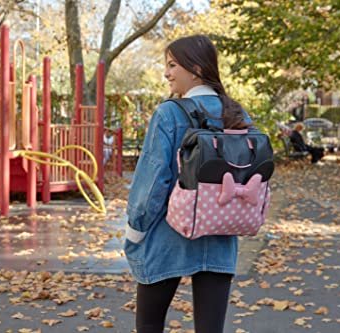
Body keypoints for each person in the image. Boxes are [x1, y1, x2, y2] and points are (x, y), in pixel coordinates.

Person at [124, 35, 251, 333]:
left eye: (172, 65)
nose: (167, 73)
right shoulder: (236, 113)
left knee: (150, 324)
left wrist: (135, 228)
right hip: (222, 231)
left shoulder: (169, 112)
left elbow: (153, 179)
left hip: (169, 233)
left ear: (195, 68)